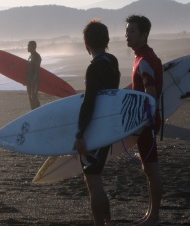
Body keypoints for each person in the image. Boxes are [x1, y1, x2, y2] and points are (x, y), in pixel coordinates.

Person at [74, 20, 120, 226]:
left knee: (93, 181)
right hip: (108, 127)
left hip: (95, 130)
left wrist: (80, 134)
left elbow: (90, 102)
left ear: (86, 43)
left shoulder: (94, 68)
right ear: (107, 40)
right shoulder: (112, 61)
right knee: (95, 178)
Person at [125, 15, 163, 226]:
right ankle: (150, 214)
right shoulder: (142, 57)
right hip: (144, 121)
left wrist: (147, 119)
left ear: (144, 34)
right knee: (148, 170)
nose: (127, 35)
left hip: (146, 121)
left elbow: (151, 89)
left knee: (152, 169)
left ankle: (154, 217)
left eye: (131, 31)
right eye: (127, 31)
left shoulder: (145, 60)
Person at [26, 40, 41, 109]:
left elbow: (36, 70)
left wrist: (33, 80)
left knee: (34, 96)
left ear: (34, 47)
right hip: (29, 81)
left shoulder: (37, 56)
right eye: (28, 46)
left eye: (29, 46)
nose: (27, 47)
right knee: (30, 97)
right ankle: (33, 111)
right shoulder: (30, 56)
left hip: (34, 81)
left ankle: (39, 111)